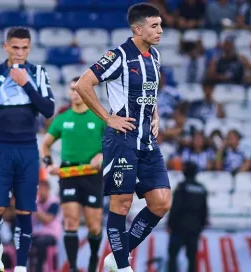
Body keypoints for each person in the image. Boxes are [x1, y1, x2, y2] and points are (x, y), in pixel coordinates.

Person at [73, 3, 172, 272]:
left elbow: (151, 91)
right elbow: (83, 83)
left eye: (160, 24)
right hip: (122, 139)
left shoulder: (155, 56)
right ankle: (122, 266)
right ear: (137, 29)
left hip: (147, 141)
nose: (160, 30)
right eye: (155, 26)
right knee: (122, 203)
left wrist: (155, 115)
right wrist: (108, 117)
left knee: (162, 202)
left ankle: (117, 256)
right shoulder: (118, 56)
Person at [0, 26, 55, 272]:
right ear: (5, 47)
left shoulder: (38, 74)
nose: (20, 53)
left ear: (30, 48)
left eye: (24, 48)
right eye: (15, 47)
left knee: (24, 209)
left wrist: (27, 84)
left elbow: (48, 110)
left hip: (28, 149)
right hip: (0, 148)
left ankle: (20, 266)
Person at [41, 76, 106, 272]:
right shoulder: (62, 119)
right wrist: (49, 163)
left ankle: (94, 259)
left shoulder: (99, 118)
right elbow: (45, 145)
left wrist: (102, 155)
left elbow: (114, 144)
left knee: (94, 225)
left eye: (79, 89)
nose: (75, 93)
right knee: (70, 220)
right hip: (69, 173)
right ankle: (72, 267)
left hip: (92, 174)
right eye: (72, 89)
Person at [167, 162, 208, 272]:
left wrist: (170, 224)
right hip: (195, 228)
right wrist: (201, 226)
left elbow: (176, 207)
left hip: (179, 227)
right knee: (192, 258)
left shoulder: (182, 186)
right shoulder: (201, 188)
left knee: (173, 255)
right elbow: (204, 210)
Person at [31, 181, 62, 272]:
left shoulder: (54, 202)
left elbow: (47, 219)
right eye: (38, 189)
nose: (40, 192)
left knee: (41, 242)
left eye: (42, 189)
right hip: (36, 233)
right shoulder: (35, 201)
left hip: (51, 234)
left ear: (48, 190)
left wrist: (34, 208)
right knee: (23, 240)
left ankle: (39, 269)